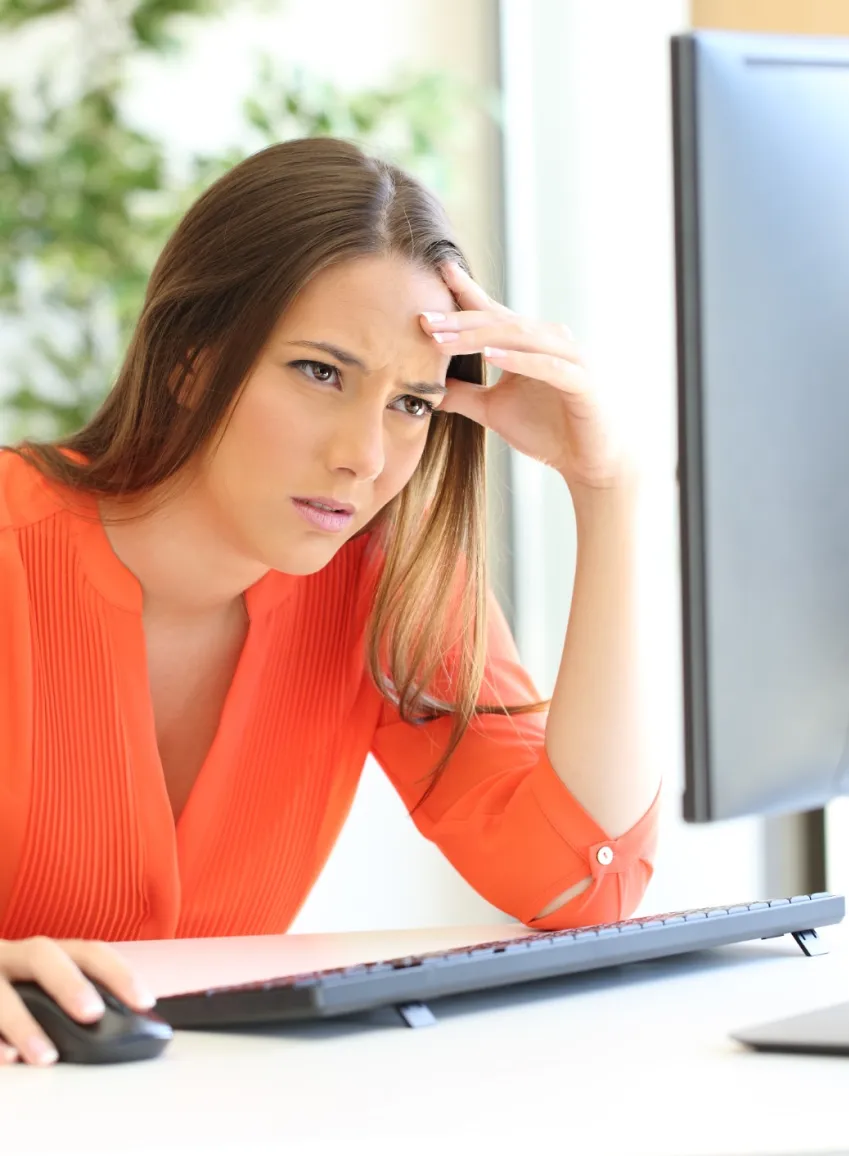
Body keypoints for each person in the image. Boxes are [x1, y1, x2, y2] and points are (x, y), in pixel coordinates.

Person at [0, 136, 661, 1066]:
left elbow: (582, 881)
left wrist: (610, 487)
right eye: (321, 373)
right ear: (193, 359)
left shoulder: (379, 582)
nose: (365, 454)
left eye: (412, 404)